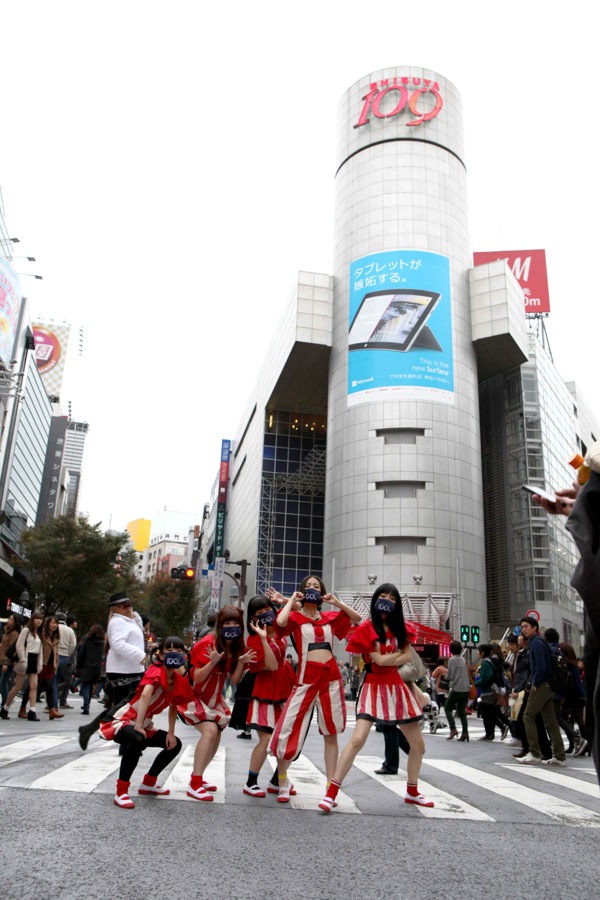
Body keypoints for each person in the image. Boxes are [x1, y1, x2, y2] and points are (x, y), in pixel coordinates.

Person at [318, 583, 433, 813]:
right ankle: (331, 793)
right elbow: (380, 661)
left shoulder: (402, 629)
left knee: (418, 745)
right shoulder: (365, 629)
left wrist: (390, 657)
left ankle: (412, 791)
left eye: (392, 598)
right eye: (383, 596)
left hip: (397, 688)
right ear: (375, 599)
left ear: (396, 604)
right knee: (357, 740)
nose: (387, 601)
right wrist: (396, 656)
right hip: (373, 686)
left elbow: (406, 657)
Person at [268, 575, 361, 803]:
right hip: (305, 680)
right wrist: (291, 600)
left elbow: (356, 618)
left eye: (316, 586)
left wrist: (335, 602)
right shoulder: (295, 617)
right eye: (308, 586)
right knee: (287, 729)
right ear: (302, 590)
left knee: (330, 733)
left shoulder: (330, 618)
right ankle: (282, 782)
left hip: (330, 680)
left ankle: (330, 787)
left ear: (322, 592)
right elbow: (280, 622)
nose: (312, 588)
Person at [99, 636, 190, 809]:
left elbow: (174, 706)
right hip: (124, 718)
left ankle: (149, 783)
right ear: (161, 655)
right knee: (137, 739)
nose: (174, 654)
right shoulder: (156, 670)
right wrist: (139, 725)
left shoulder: (178, 680)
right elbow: (146, 695)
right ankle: (121, 792)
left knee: (174, 744)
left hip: (144, 722)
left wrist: (171, 733)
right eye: (170, 650)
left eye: (179, 651)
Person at [179, 606, 255, 801]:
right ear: (220, 625)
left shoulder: (237, 647)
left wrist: (241, 662)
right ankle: (195, 783)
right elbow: (196, 678)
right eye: (227, 623)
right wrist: (212, 662)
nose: (231, 626)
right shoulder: (207, 644)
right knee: (211, 731)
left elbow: (234, 680)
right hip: (192, 696)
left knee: (216, 734)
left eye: (235, 623)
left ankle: (198, 776)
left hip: (213, 699)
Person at [242, 595, 296, 798]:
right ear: (253, 618)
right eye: (259, 612)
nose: (265, 614)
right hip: (265, 690)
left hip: (285, 686)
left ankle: (278, 781)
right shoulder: (254, 639)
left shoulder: (279, 627)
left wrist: (286, 601)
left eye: (267, 609)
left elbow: (299, 610)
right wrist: (264, 638)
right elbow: (271, 665)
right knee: (265, 740)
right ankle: (251, 781)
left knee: (286, 739)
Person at [516, 616, 566, 766]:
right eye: (522, 627)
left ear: (534, 628)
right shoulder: (539, 642)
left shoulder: (536, 643)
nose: (523, 629)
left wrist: (535, 682)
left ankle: (535, 753)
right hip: (549, 685)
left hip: (542, 684)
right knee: (550, 721)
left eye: (526, 626)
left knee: (527, 716)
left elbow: (540, 666)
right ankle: (560, 756)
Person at [105, 593, 146, 706]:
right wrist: (140, 655)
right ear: (115, 608)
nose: (128, 608)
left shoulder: (127, 621)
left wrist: (137, 620)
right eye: (124, 606)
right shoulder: (118, 621)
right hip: (122, 670)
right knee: (122, 706)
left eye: (129, 604)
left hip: (131, 669)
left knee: (130, 705)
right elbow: (117, 643)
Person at [2, 610, 44, 720]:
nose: (39, 621)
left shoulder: (40, 633)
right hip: (25, 659)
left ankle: (32, 711)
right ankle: (5, 708)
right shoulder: (26, 630)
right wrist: (22, 660)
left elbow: (40, 650)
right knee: (18, 686)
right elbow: (19, 645)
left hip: (34, 660)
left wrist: (40, 663)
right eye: (37, 619)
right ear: (32, 620)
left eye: (40, 619)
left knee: (34, 686)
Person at [37, 615, 63, 720]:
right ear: (47, 624)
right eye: (52, 623)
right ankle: (23, 706)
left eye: (56, 623)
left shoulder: (56, 636)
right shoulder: (42, 635)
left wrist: (56, 665)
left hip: (51, 665)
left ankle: (52, 710)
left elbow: (56, 652)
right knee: (35, 687)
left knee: (49, 687)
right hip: (42, 664)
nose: (54, 625)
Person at [444, 640, 470, 741]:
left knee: (447, 708)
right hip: (465, 688)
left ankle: (453, 729)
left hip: (456, 688)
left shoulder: (451, 660)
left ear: (451, 650)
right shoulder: (463, 659)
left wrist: (446, 677)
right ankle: (465, 732)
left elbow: (450, 675)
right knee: (462, 711)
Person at [77, 625, 106, 714]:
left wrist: (79, 666)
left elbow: (82, 654)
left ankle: (86, 706)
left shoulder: (88, 641)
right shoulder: (102, 643)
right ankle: (87, 704)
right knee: (90, 686)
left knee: (85, 685)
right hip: (97, 668)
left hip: (87, 666)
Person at [0, 613, 21, 710]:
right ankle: (6, 701)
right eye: (9, 618)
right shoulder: (7, 632)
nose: (9, 620)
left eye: (11, 619)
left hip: (7, 662)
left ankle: (5, 703)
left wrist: (6, 663)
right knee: (3, 682)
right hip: (2, 660)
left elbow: (11, 650)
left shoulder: (14, 634)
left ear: (15, 622)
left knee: (3, 683)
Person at [57, 614, 78, 709]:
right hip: (67, 659)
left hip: (58, 657)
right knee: (68, 681)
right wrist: (68, 654)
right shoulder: (70, 631)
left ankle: (61, 699)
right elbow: (73, 645)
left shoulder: (57, 628)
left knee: (59, 679)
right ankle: (55, 692)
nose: (76, 623)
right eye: (75, 621)